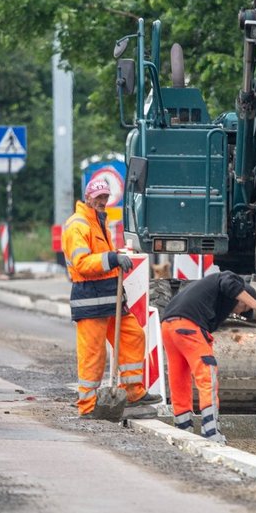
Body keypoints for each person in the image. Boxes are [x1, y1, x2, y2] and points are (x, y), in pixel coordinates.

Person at [63, 179, 161, 418]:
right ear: (88, 197)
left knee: (133, 335)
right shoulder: (78, 225)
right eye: (98, 197)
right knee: (93, 354)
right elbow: (82, 263)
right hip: (90, 297)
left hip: (109, 296)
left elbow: (102, 257)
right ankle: (87, 405)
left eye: (105, 197)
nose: (102, 201)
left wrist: (116, 256)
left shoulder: (100, 222)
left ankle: (132, 392)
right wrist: (112, 258)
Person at [161, 271, 256, 443]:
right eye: (244, 306)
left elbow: (240, 305)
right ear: (240, 297)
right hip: (189, 326)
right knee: (208, 376)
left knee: (180, 379)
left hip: (168, 327)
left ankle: (183, 430)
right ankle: (211, 432)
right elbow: (229, 283)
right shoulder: (228, 279)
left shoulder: (213, 296)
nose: (242, 311)